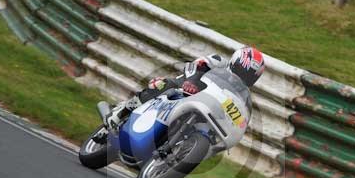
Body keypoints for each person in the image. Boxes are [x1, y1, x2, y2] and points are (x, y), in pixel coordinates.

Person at [105, 46, 266, 130]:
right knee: (164, 85)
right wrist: (192, 81)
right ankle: (121, 112)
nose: (242, 77)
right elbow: (198, 64)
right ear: (234, 62)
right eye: (241, 70)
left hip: (206, 110)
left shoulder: (243, 95)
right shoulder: (219, 61)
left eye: (249, 76)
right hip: (185, 89)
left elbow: (239, 116)